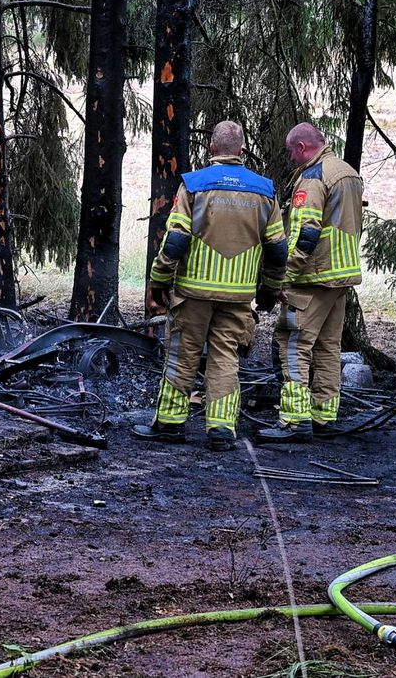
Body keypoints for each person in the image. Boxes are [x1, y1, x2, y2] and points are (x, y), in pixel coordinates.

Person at [133, 121, 288, 451]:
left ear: (212, 150)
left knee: (182, 355)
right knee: (225, 358)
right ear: (241, 152)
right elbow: (277, 248)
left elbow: (175, 240)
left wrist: (159, 280)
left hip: (193, 292)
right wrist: (270, 290)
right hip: (238, 296)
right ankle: (221, 430)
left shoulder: (193, 184)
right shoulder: (265, 191)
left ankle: (170, 424)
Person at [257, 122, 364, 443]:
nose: (290, 157)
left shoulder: (314, 177)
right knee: (329, 347)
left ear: (302, 147)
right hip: (340, 277)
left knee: (293, 345)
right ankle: (323, 415)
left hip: (312, 277)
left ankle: (293, 420)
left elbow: (307, 232)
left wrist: (284, 277)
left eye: (291, 151)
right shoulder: (348, 173)